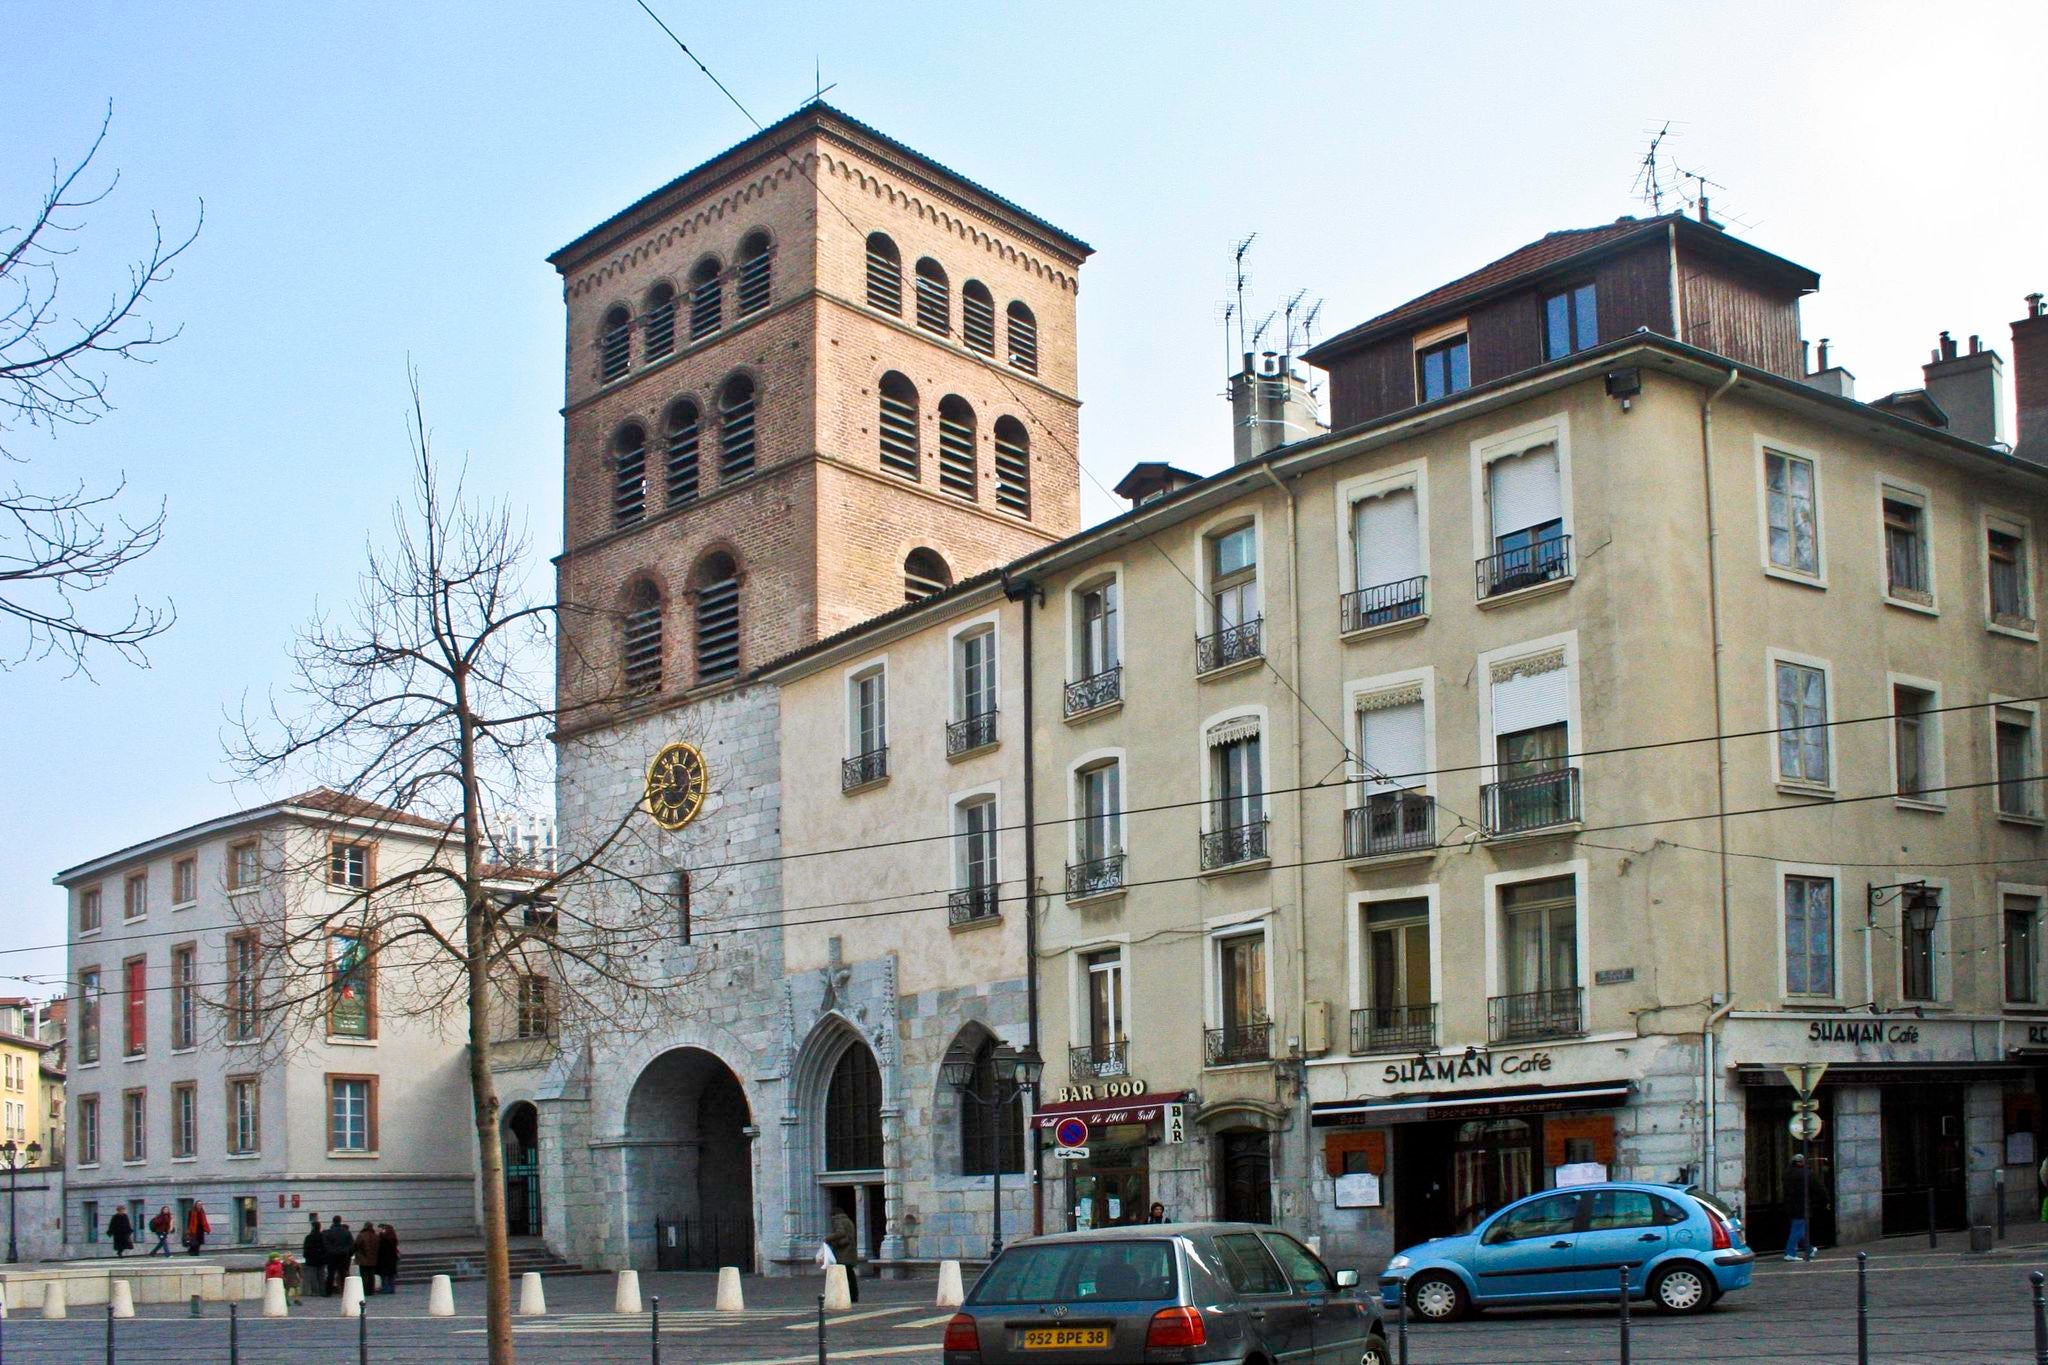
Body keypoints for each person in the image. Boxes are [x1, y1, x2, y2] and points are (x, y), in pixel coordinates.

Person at [826, 1206, 861, 1304]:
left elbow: (840, 1233)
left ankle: (846, 1295)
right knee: (850, 1275)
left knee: (844, 1275)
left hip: (843, 1252)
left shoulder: (838, 1220)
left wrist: (828, 1238)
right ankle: (854, 1296)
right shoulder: (848, 1221)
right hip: (850, 1251)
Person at [1783, 1152, 1813, 1262]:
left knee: (1801, 1229)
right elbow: (1815, 1186)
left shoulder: (1787, 1173)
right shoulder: (1805, 1173)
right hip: (1801, 1205)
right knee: (1797, 1230)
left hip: (1790, 1205)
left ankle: (1809, 1249)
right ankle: (1790, 1252)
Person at [322, 1216, 354, 1295]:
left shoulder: (328, 1232)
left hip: (332, 1256)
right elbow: (352, 1244)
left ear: (333, 1221)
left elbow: (325, 1244)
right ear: (340, 1221)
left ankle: (328, 1292)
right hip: (343, 1255)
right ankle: (345, 1291)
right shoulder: (346, 1232)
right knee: (343, 1274)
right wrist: (348, 1253)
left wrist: (330, 1252)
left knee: (331, 1274)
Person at [354, 1220, 383, 1295]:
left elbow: (356, 1245)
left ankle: (365, 1290)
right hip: (373, 1259)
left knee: (364, 1275)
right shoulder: (375, 1236)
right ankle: (371, 1290)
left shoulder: (361, 1235)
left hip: (363, 1259)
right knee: (371, 1275)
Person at [303, 1213, 328, 1291]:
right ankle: (322, 1290)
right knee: (321, 1276)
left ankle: (315, 1291)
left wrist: (306, 1256)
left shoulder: (309, 1237)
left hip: (311, 1260)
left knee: (313, 1277)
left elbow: (306, 1249)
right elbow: (326, 1247)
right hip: (321, 1260)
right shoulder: (323, 1236)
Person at [377, 1222, 399, 1293]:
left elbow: (380, 1247)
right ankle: (392, 1288)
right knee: (391, 1275)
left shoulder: (383, 1238)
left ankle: (385, 1288)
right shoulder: (393, 1238)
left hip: (384, 1258)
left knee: (384, 1275)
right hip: (392, 1258)